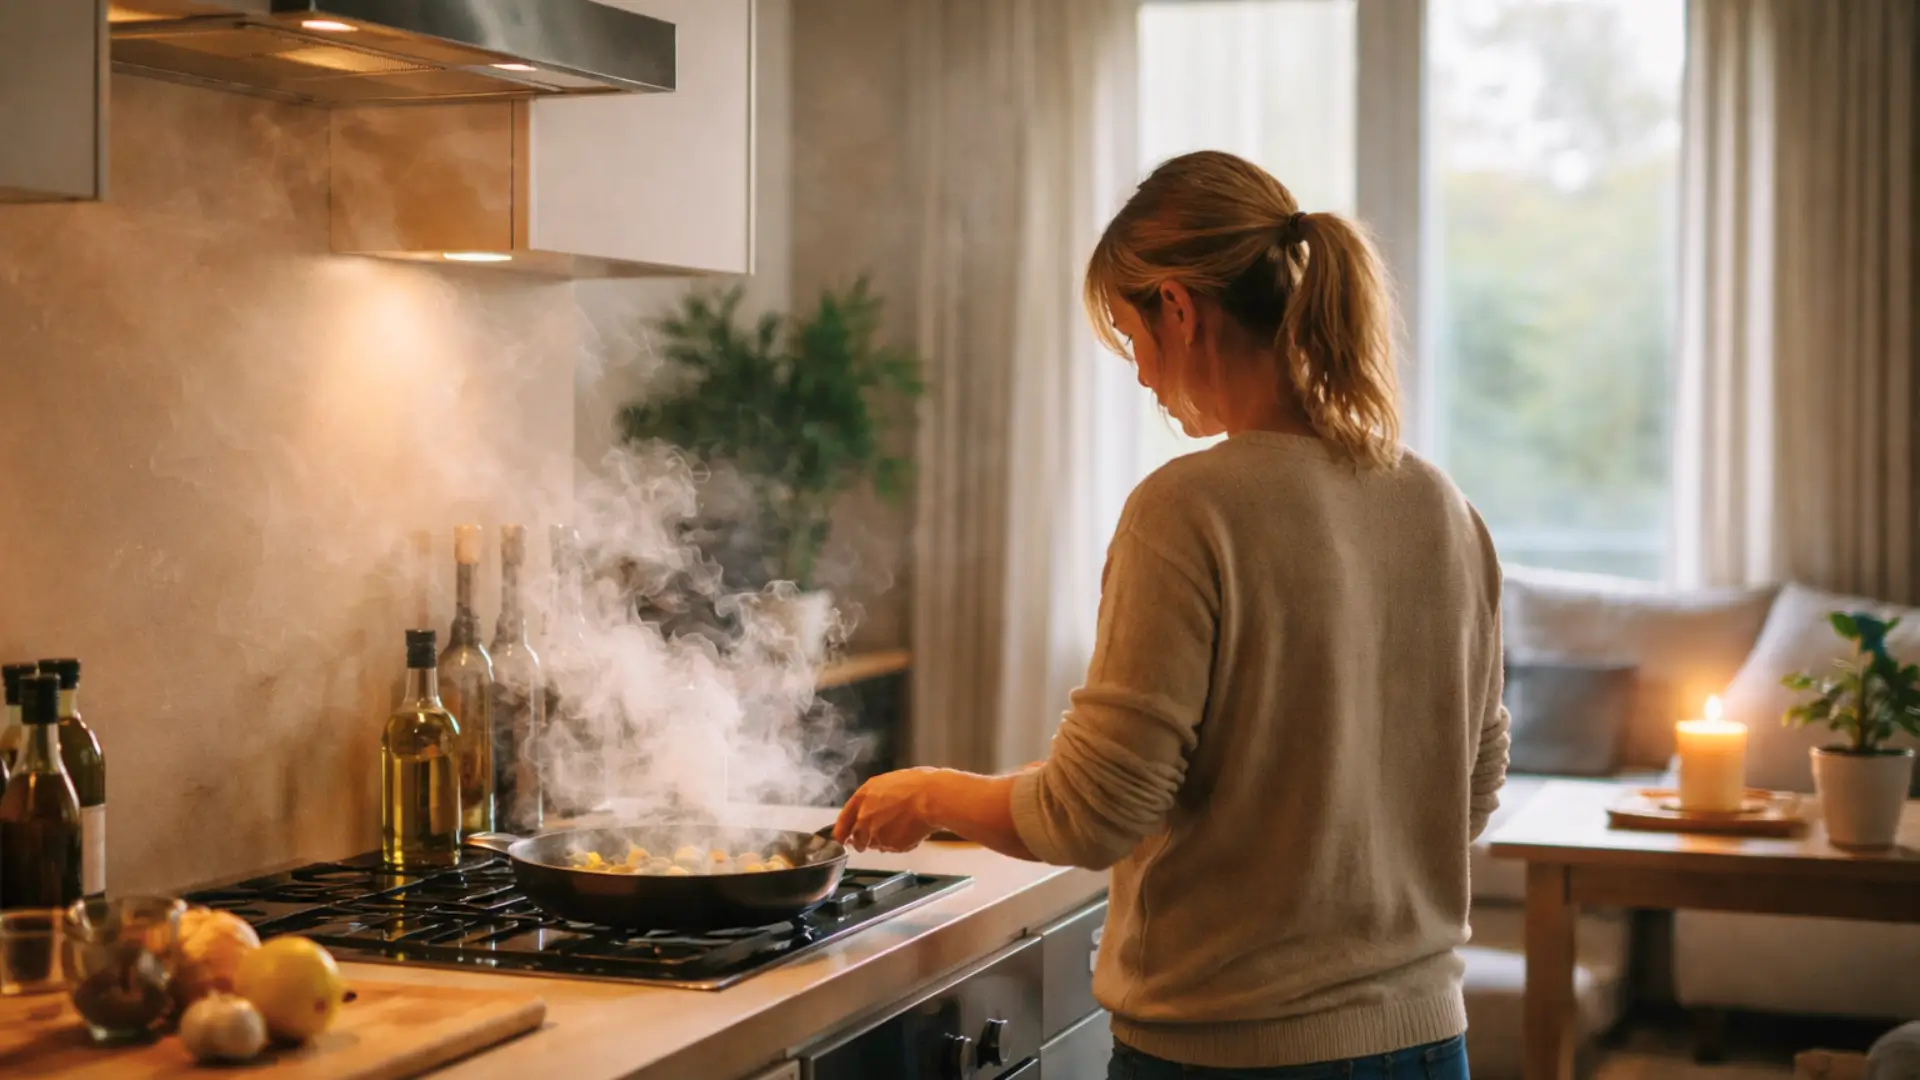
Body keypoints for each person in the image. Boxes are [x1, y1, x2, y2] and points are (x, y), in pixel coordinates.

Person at [833, 149, 1510, 1080]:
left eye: (1131, 333)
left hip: (1233, 1056)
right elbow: (1465, 795)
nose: (1144, 375)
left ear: (1181, 310)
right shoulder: (1441, 505)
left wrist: (931, 792)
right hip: (1428, 1044)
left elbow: (1093, 819)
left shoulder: (1187, 508)